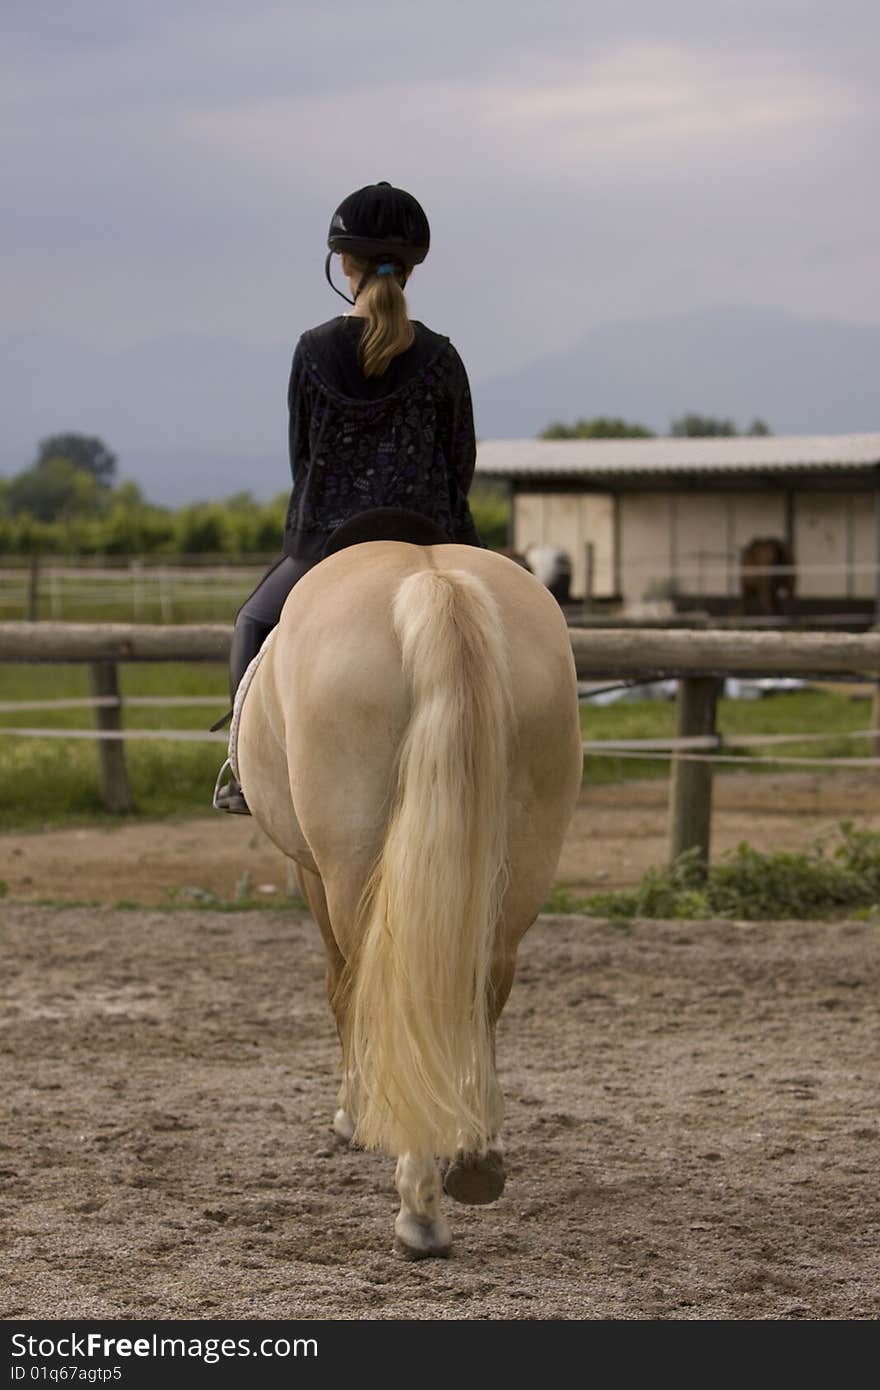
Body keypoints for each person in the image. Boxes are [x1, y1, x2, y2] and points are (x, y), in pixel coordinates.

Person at [214, 180, 483, 813]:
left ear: (345, 264)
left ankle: (244, 772)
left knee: (252, 623)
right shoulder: (442, 357)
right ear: (412, 268)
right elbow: (460, 461)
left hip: (328, 542)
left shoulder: (312, 351)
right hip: (434, 534)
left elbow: (301, 457)